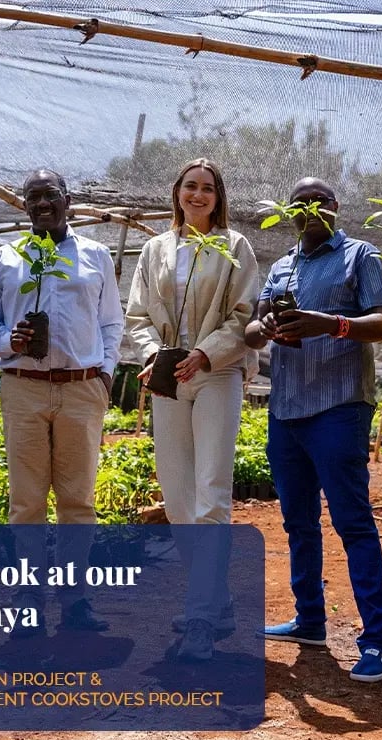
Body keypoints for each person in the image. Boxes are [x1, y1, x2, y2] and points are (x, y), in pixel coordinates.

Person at [245, 176, 382, 683]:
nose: (308, 211)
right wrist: (264, 328)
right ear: (288, 212)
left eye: (318, 202)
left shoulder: (361, 256)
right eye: (299, 204)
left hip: (338, 406)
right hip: (287, 410)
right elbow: (252, 325)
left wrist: (331, 324)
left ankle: (375, 639)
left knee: (352, 522)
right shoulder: (282, 265)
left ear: (335, 207)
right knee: (298, 523)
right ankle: (310, 620)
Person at [0, 168, 124, 634]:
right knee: (27, 500)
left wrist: (103, 375)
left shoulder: (95, 255)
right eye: (32, 196)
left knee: (77, 499)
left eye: (50, 194)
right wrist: (10, 341)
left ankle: (75, 598)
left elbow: (111, 324)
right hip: (24, 387)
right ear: (24, 205)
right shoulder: (8, 257)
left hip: (81, 388)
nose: (41, 203)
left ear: (68, 200)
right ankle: (28, 596)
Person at [125, 158, 259, 661]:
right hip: (167, 378)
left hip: (216, 374)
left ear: (218, 197)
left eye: (207, 188)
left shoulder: (234, 247)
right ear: (177, 192)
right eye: (190, 186)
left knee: (211, 492)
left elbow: (244, 314)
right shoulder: (156, 249)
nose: (198, 195)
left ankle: (200, 614)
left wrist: (206, 353)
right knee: (178, 495)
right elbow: (137, 314)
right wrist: (152, 355)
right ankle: (217, 598)